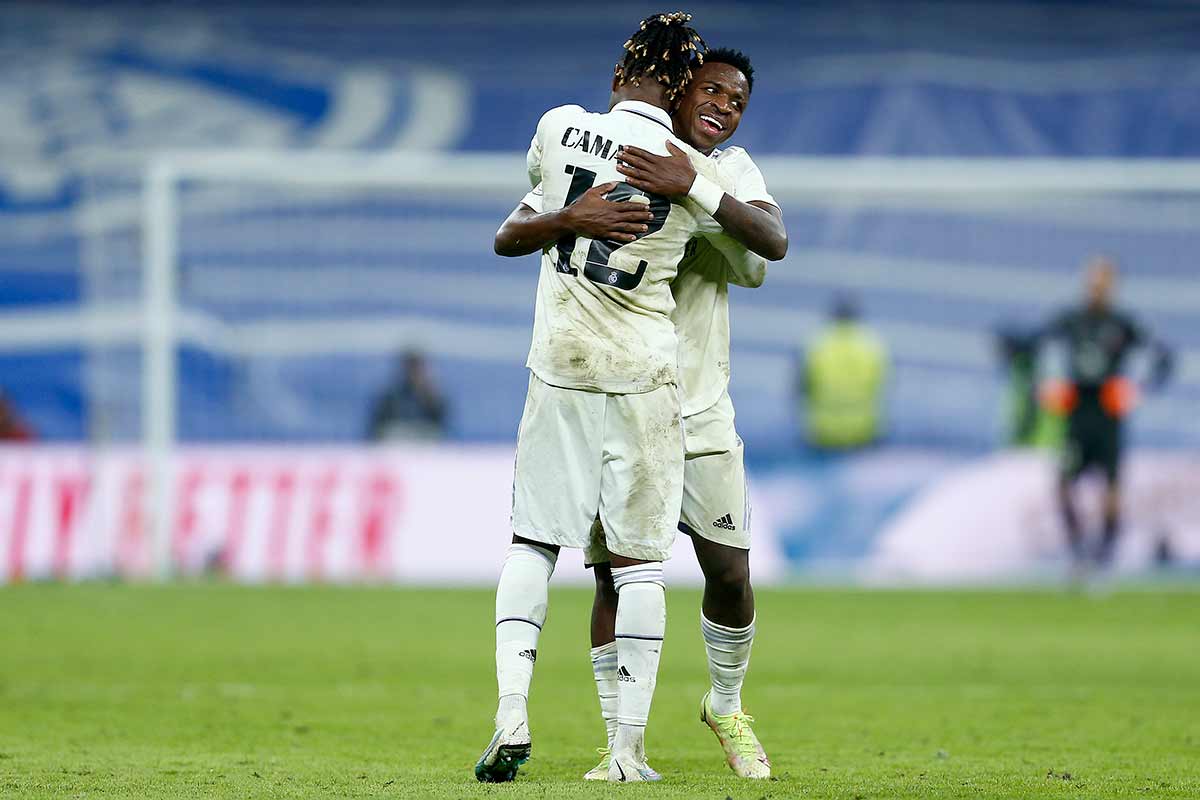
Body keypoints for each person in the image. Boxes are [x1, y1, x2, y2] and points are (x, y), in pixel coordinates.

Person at [477, 12, 734, 784]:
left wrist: (568, 216)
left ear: (621, 74)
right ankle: (625, 753)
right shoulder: (690, 169)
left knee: (533, 544)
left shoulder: (559, 127)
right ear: (682, 89)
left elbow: (510, 234)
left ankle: (511, 712)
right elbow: (762, 246)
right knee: (638, 568)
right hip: (644, 375)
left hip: (560, 365)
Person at [580, 48, 785, 781]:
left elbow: (770, 245)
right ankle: (619, 741)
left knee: (729, 573)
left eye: (738, 100)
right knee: (614, 577)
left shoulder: (732, 170)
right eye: (713, 90)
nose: (725, 106)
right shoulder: (618, 154)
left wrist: (692, 185)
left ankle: (725, 704)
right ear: (677, 93)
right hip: (620, 400)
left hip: (699, 410)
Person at [1035, 257, 1172, 567]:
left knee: (1111, 487)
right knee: (1063, 484)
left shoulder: (1123, 324)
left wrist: (1139, 387)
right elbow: (1035, 347)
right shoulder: (1071, 320)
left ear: (1112, 285)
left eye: (1103, 281)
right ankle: (1077, 550)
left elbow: (1162, 356)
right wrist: (1044, 385)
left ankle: (1106, 553)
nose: (1097, 287)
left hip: (1108, 412)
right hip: (1078, 409)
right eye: (1093, 280)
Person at [799, 293, 888, 450]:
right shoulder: (872, 347)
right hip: (864, 432)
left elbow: (801, 388)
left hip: (823, 432)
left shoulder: (817, 346)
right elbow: (883, 386)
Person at [366, 351, 447, 441]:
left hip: (424, 442)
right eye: (411, 368)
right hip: (396, 441)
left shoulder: (431, 396)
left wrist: (429, 397)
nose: (414, 373)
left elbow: (440, 422)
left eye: (417, 368)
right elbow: (379, 425)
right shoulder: (391, 397)